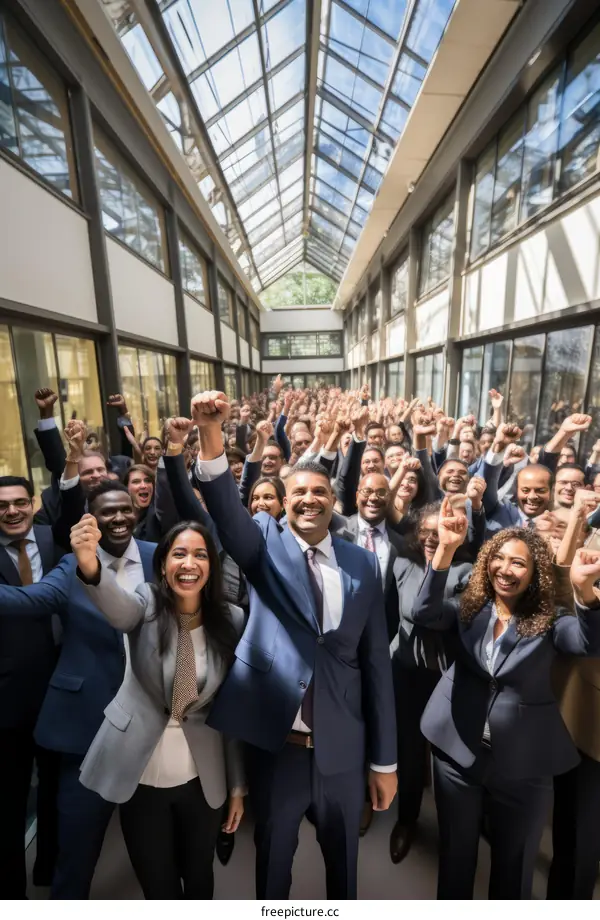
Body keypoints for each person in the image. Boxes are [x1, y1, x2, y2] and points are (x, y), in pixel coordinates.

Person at [191, 390, 397, 900]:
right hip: (281, 748)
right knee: (273, 869)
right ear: (285, 502)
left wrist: (385, 762)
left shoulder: (361, 564)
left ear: (334, 501)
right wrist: (211, 436)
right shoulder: (264, 542)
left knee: (343, 873)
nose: (309, 499)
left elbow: (375, 666)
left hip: (345, 752)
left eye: (320, 492)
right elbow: (225, 512)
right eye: (298, 492)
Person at [410, 501, 600, 899]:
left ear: (535, 575)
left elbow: (587, 642)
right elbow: (424, 612)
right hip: (456, 753)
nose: (505, 569)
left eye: (518, 563)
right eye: (499, 558)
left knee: (513, 870)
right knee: (456, 857)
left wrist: (585, 593)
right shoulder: (470, 607)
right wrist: (444, 550)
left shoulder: (552, 619)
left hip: (523, 767)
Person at [71, 517, 245, 899]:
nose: (189, 563)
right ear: (163, 564)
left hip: (201, 776)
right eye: (179, 554)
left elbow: (229, 712)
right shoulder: (146, 603)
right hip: (141, 772)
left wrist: (236, 787)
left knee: (199, 874)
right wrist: (90, 565)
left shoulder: (231, 620)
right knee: (157, 881)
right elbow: (118, 610)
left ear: (211, 567)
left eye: (200, 555)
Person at [0, 481, 155, 899]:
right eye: (107, 512)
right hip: (85, 727)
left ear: (137, 511)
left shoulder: (162, 557)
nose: (119, 517)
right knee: (77, 852)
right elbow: (29, 600)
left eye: (125, 509)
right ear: (91, 519)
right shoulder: (71, 566)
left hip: (157, 727)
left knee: (159, 854)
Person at [388, 501, 472, 865]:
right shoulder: (403, 564)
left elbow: (431, 615)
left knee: (446, 758)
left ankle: (453, 831)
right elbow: (406, 611)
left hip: (445, 677)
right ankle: (407, 821)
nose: (432, 539)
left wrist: (444, 558)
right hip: (404, 673)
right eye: (426, 532)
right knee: (408, 752)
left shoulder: (467, 571)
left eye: (440, 534)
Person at [0, 476, 64, 898]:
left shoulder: (53, 536)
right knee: (10, 801)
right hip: (7, 701)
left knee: (57, 795)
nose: (11, 511)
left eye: (20, 502)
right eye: (2, 506)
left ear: (33, 503)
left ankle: (50, 877)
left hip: (62, 693)